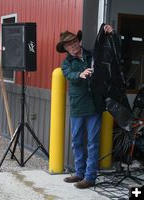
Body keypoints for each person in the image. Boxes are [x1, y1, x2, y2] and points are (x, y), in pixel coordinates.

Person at [56, 24, 113, 189]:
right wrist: (80, 74)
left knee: (93, 142)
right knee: (77, 141)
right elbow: (69, 76)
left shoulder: (92, 55)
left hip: (95, 105)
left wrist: (109, 33)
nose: (72, 46)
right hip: (78, 106)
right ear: (65, 48)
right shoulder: (66, 63)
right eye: (68, 45)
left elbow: (106, 50)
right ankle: (79, 173)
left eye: (73, 42)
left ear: (78, 42)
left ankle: (89, 177)